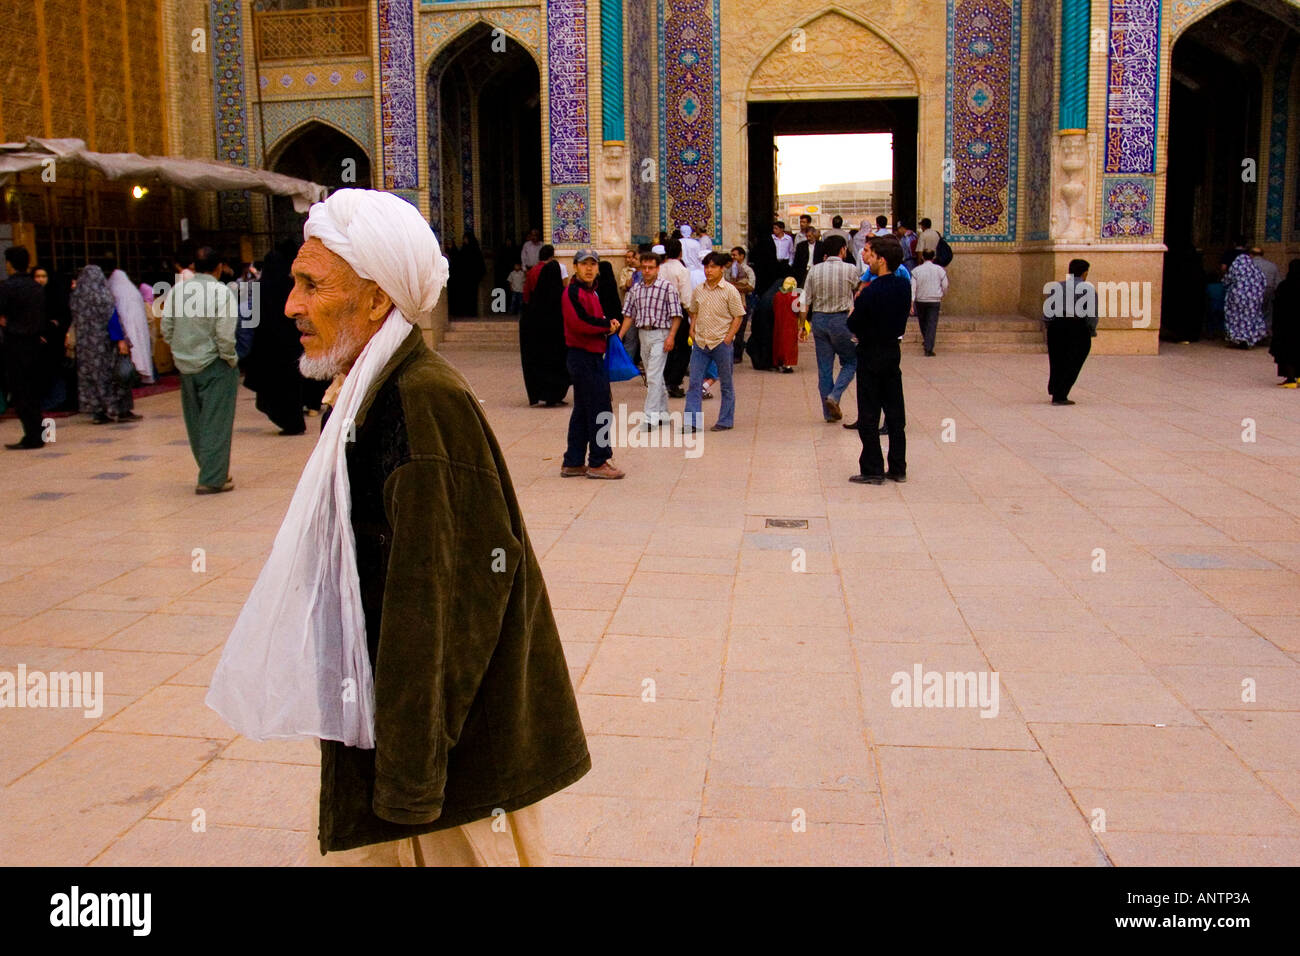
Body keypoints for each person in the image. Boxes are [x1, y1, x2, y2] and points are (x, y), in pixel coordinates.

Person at [205, 188, 589, 866]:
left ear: (378, 300)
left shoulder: (419, 403)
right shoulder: (370, 390)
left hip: (448, 774)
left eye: (310, 285)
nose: (290, 305)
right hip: (412, 751)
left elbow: (435, 609)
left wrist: (408, 789)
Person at [161, 246, 239, 492]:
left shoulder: (176, 291)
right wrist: (229, 358)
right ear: (218, 268)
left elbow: (166, 328)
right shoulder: (221, 292)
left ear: (193, 266)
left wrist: (179, 350)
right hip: (215, 364)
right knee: (216, 422)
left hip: (186, 365)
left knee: (196, 422)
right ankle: (211, 478)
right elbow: (225, 334)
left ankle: (210, 468)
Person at [847, 235, 910, 484]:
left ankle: (872, 468)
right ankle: (897, 467)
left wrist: (856, 306)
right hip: (892, 350)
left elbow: (853, 323)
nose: (868, 260)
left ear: (881, 260)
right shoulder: (904, 286)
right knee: (895, 413)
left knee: (870, 413)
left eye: (871, 255)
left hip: (871, 352)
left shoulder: (872, 293)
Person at [560, 250, 623, 478]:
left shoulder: (592, 293)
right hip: (582, 357)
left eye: (592, 264)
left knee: (583, 410)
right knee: (600, 409)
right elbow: (579, 323)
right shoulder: (572, 292)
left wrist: (607, 324)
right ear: (575, 266)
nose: (589, 269)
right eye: (584, 264)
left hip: (593, 356)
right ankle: (598, 461)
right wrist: (607, 325)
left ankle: (573, 461)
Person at [242, 241, 306, 435]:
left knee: (273, 388)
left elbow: (250, 319)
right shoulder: (292, 287)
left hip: (267, 348)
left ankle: (287, 421)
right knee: (291, 385)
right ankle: (294, 421)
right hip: (290, 346)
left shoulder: (257, 289)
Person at [684, 252, 746, 432]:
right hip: (701, 343)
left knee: (726, 383)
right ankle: (692, 422)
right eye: (706, 267)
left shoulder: (729, 290)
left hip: (721, 342)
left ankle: (725, 420)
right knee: (694, 382)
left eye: (712, 267)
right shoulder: (699, 289)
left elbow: (738, 316)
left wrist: (728, 338)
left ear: (721, 269)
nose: (708, 271)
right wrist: (692, 328)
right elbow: (693, 310)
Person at [620, 251, 682, 429]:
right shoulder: (636, 289)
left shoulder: (667, 287)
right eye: (644, 267)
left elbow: (676, 315)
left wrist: (671, 336)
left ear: (657, 268)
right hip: (643, 334)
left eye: (651, 268)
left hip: (660, 334)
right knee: (654, 375)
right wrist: (619, 337)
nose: (647, 271)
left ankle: (650, 418)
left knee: (653, 376)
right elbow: (629, 315)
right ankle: (663, 413)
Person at [801, 234, 859, 422]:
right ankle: (835, 396)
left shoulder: (815, 270)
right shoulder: (850, 269)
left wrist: (803, 326)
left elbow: (805, 301)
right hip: (841, 320)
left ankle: (828, 414)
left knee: (824, 368)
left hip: (819, 320)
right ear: (843, 250)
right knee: (851, 361)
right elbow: (860, 291)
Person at [71, 263, 137, 425]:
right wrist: (121, 339)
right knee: (114, 377)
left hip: (86, 348)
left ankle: (99, 413)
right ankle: (119, 410)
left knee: (92, 379)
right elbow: (112, 320)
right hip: (105, 346)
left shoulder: (76, 297)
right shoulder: (103, 295)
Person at [0, 246, 51, 449]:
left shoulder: (7, 287)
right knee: (33, 389)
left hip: (15, 343)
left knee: (20, 391)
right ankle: (38, 431)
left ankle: (32, 436)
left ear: (10, 264)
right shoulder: (36, 287)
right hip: (35, 343)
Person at [1042, 259, 1097, 405]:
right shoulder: (1088, 289)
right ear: (1085, 273)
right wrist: (1090, 330)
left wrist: (1050, 326)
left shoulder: (1057, 287)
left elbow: (1048, 311)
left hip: (1056, 326)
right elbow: (1091, 314)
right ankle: (1060, 394)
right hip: (1077, 326)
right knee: (1073, 361)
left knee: (1057, 360)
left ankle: (1055, 388)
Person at [518, 259, 570, 407]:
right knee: (558, 368)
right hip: (558, 344)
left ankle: (545, 394)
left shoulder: (537, 298)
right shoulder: (562, 296)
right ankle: (556, 395)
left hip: (541, 346)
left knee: (544, 367)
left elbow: (526, 320)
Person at [106, 261, 155, 384]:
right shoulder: (131, 289)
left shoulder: (114, 287)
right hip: (139, 323)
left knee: (132, 352)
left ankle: (132, 375)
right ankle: (140, 374)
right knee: (140, 349)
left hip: (126, 322)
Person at [658, 237, 695, 397]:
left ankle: (664, 379)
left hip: (660, 311)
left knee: (665, 347)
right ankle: (674, 381)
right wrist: (693, 316)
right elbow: (686, 298)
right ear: (681, 252)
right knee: (682, 349)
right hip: (677, 311)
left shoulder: (660, 268)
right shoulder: (682, 270)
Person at [1223, 250, 1268, 348]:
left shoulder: (1236, 267)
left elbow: (1227, 280)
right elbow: (1264, 283)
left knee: (1236, 319)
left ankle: (1237, 339)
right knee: (1251, 319)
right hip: (1254, 300)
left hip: (1237, 300)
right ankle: (1250, 339)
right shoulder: (1256, 270)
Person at [910, 249, 949, 356]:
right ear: (933, 257)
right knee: (931, 323)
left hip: (921, 300)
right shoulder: (940, 270)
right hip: (934, 299)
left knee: (923, 323)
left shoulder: (916, 270)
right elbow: (945, 284)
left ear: (922, 257)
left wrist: (911, 302)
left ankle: (927, 343)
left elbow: (912, 288)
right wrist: (942, 293)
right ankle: (929, 346)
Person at [1269, 259, 1299, 387]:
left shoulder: (1284, 286)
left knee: (1287, 351)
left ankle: (1291, 379)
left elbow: (1277, 305)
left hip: (1286, 326)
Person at [727, 247, 756, 362]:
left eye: (735, 255)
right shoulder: (729, 270)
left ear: (742, 256)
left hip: (744, 300)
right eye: (732, 255)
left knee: (740, 328)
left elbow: (750, 286)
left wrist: (736, 287)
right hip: (730, 301)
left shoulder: (747, 270)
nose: (733, 257)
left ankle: (737, 354)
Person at [771, 276, 800, 373]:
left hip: (779, 322)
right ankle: (787, 364)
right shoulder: (794, 296)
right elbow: (797, 310)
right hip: (790, 322)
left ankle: (778, 361)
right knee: (789, 344)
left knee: (778, 342)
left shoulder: (777, 295)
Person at [1251, 248, 1280, 333]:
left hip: (1253, 291)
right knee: (1267, 312)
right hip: (1268, 291)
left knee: (1253, 312)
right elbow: (1277, 282)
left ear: (1251, 254)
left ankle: (1254, 332)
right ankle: (1266, 332)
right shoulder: (1272, 265)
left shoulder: (1249, 265)